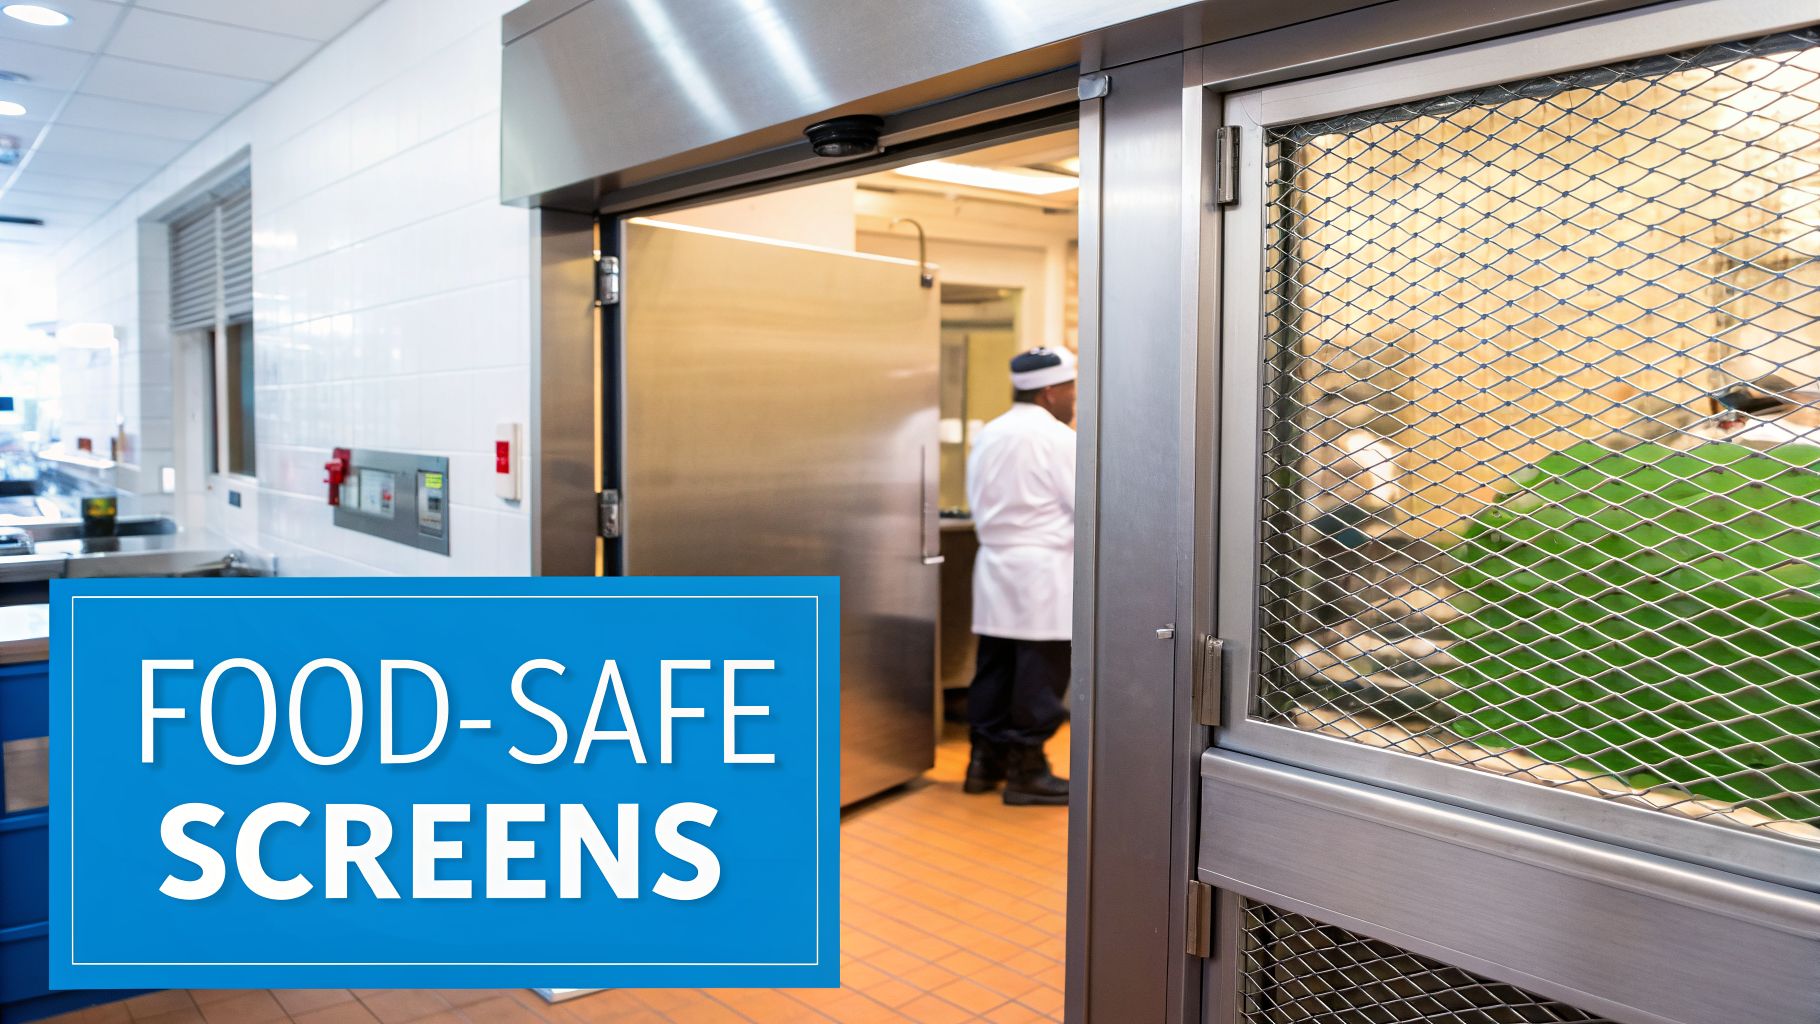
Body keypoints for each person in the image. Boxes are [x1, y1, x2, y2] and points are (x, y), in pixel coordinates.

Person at [963, 347, 1077, 806]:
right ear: (1050, 392)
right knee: (1040, 668)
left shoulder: (990, 433)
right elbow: (1083, 504)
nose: (1073, 400)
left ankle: (982, 763)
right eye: (1071, 390)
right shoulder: (1057, 438)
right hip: (1044, 567)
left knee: (996, 663)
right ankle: (1027, 770)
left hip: (993, 562)